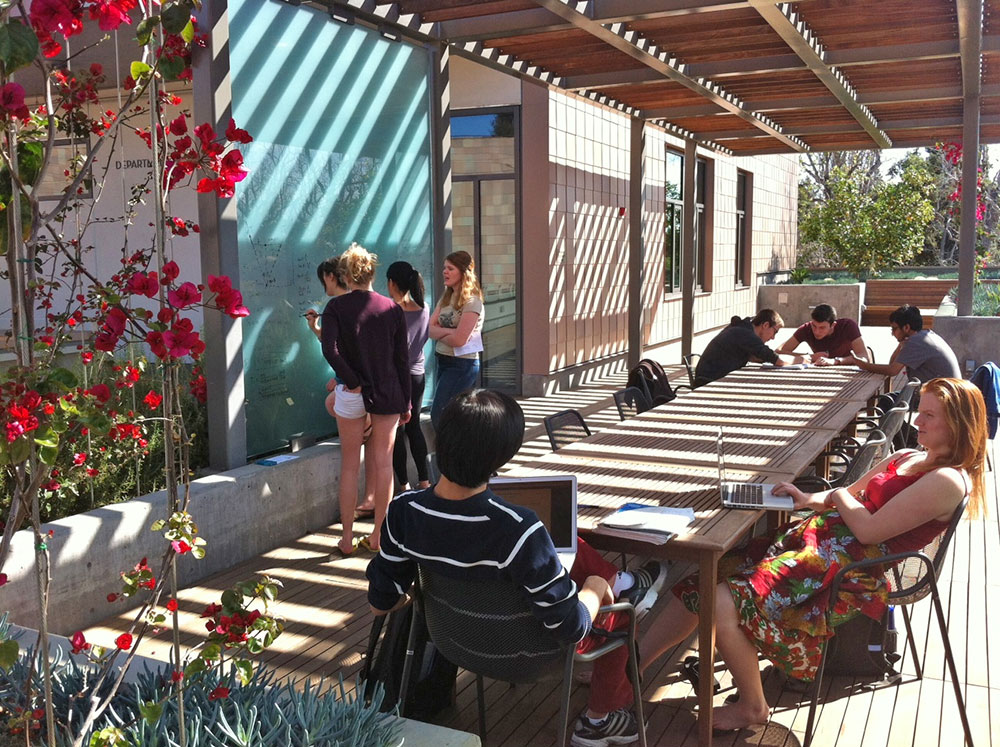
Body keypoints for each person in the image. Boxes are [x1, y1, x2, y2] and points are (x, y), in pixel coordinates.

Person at [637, 377, 987, 732]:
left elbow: (868, 530)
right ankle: (631, 672)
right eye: (920, 411)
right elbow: (848, 493)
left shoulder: (947, 480)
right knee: (706, 576)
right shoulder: (908, 456)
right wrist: (807, 499)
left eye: (929, 416)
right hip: (817, 543)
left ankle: (753, 707)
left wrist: (836, 498)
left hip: (848, 568)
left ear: (958, 424)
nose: (917, 422)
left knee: (725, 599)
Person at [366, 389, 668, 747]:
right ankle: (598, 720)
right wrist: (596, 585)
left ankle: (619, 587)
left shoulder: (404, 511)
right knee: (620, 610)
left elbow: (380, 603)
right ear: (502, 456)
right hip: (534, 658)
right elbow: (570, 627)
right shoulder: (518, 527)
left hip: (454, 645)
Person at [319, 243, 411, 557]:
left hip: (351, 392)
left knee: (349, 466)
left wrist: (353, 380)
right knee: (384, 465)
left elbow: (330, 350)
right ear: (372, 273)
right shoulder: (392, 308)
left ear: (345, 275)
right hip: (387, 392)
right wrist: (407, 403)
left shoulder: (335, 308)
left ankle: (346, 538)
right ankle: (378, 536)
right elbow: (403, 360)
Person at [305, 257, 377, 519]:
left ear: (332, 277)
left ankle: (348, 532)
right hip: (372, 387)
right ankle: (374, 514)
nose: (323, 283)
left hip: (357, 387)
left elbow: (336, 347)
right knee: (375, 451)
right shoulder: (369, 303)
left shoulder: (338, 306)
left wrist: (350, 380)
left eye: (324, 278)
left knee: (352, 461)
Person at [385, 261, 431, 492]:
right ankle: (424, 480)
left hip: (397, 377)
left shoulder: (392, 312)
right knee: (414, 427)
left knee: (398, 430)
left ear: (392, 283)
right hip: (418, 376)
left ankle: (402, 485)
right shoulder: (425, 308)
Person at [429, 250, 485, 430]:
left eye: (450, 268)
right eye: (444, 268)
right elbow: (428, 329)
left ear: (463, 272)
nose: (445, 272)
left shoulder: (472, 302)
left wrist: (441, 331)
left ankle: (453, 453)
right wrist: (449, 333)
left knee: (440, 414)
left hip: (462, 364)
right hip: (443, 359)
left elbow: (460, 340)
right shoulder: (446, 297)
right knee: (450, 414)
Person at [845, 305, 960, 392]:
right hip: (944, 393)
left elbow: (892, 371)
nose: (892, 333)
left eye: (894, 329)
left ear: (906, 327)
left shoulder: (916, 342)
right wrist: (900, 345)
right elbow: (891, 365)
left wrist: (863, 365)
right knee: (889, 401)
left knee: (885, 405)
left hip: (941, 399)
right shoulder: (924, 336)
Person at [693, 309, 807, 386]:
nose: (773, 338)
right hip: (710, 383)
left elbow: (758, 357)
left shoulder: (743, 328)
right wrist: (805, 360)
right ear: (766, 325)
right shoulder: (745, 333)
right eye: (774, 332)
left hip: (714, 378)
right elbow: (776, 359)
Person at [776, 303, 869, 366]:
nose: (816, 331)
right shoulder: (806, 329)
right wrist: (810, 357)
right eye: (814, 326)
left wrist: (835, 361)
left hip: (850, 373)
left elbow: (864, 357)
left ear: (833, 325)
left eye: (822, 328)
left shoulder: (848, 326)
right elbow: (780, 351)